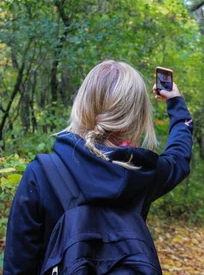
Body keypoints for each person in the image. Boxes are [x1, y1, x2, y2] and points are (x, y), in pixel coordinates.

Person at [3, 60, 193, 274]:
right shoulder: (143, 173)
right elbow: (179, 155)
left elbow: (18, 266)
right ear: (136, 116)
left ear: (83, 104)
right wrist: (176, 103)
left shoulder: (41, 174)